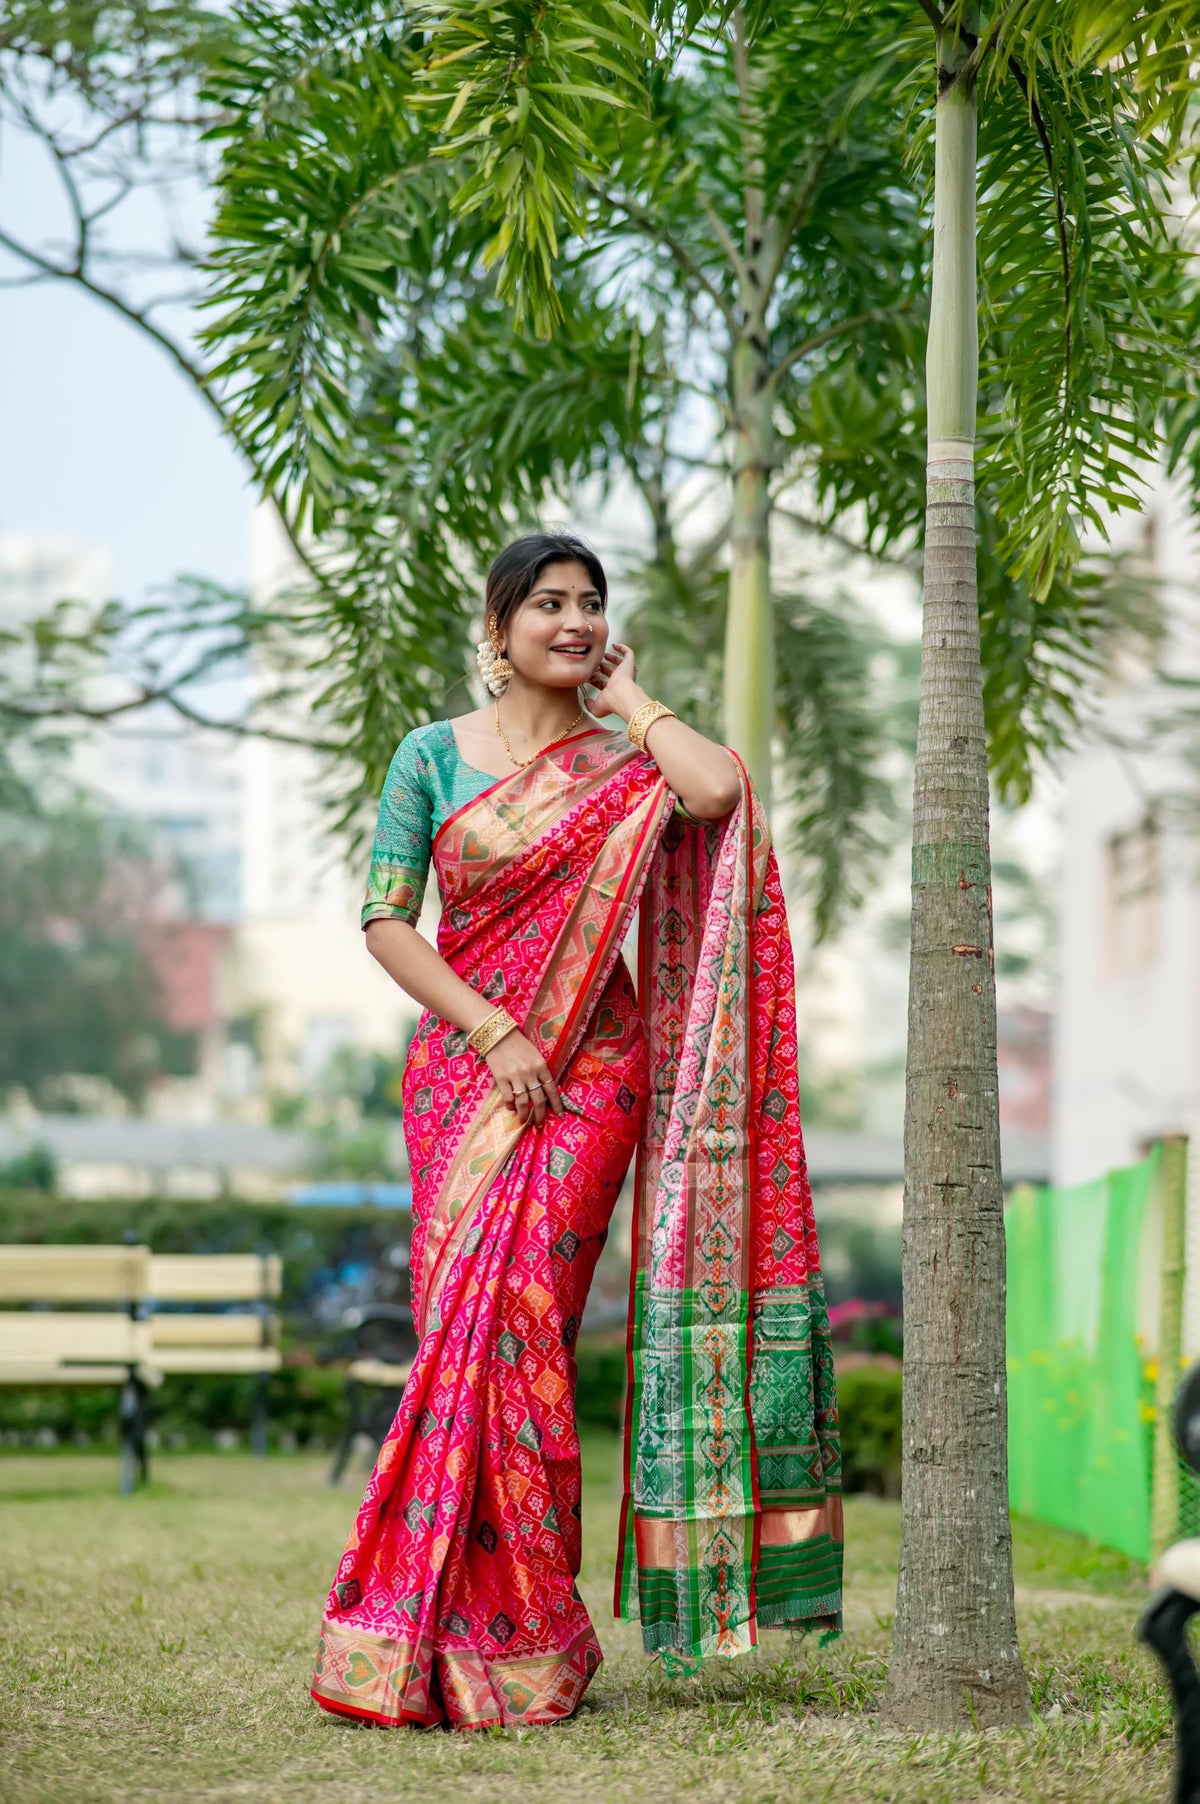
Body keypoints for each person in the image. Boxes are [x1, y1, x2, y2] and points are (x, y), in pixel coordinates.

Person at [310, 531, 842, 1731]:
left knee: (529, 1324)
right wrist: (495, 1029)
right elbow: (387, 918)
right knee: (463, 1331)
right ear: (496, 630)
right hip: (466, 1071)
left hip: (596, 1073)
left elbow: (719, 792)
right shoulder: (429, 758)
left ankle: (528, 1635)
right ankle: (426, 1628)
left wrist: (635, 698)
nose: (572, 620)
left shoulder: (627, 762)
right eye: (546, 604)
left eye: (590, 605)